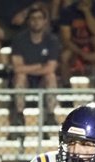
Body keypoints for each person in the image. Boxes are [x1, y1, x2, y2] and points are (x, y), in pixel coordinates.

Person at [9, 3, 60, 135]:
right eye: (33, 18)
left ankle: (50, 115)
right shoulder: (19, 39)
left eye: (39, 18)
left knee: (51, 76)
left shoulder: (52, 40)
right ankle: (19, 115)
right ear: (28, 21)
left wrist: (28, 68)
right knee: (20, 77)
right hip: (26, 79)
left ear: (45, 21)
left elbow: (50, 68)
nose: (36, 21)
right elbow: (17, 68)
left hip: (42, 80)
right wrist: (39, 66)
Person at [0, 0, 40, 73]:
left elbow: (42, 3)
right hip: (4, 23)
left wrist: (24, 13)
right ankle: (0, 68)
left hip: (29, 24)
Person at [58, 0, 95, 86]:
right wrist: (82, 53)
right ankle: (66, 86)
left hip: (91, 43)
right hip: (74, 45)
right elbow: (66, 40)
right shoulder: (67, 11)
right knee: (64, 56)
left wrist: (87, 12)